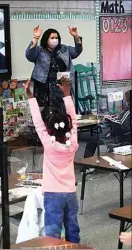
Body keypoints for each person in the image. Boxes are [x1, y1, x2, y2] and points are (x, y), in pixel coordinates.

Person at [23, 77, 80, 243]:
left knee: (52, 232)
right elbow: (74, 119)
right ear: (68, 127)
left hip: (52, 194)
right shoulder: (73, 143)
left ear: (49, 129)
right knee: (72, 228)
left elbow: (38, 123)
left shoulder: (49, 143)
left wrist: (31, 97)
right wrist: (67, 94)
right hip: (70, 193)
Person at [25, 25, 83, 112]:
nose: (55, 40)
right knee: (45, 114)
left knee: (64, 112)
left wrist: (76, 36)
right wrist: (35, 38)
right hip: (44, 87)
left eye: (56, 38)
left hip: (61, 87)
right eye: (52, 38)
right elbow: (29, 55)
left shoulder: (64, 49)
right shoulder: (39, 50)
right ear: (46, 39)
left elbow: (77, 51)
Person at [84, 90, 131, 158]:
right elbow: (121, 118)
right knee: (93, 140)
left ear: (128, 101)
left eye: (125, 99)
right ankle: (88, 165)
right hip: (118, 135)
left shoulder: (128, 111)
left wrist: (108, 119)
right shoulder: (126, 111)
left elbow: (120, 123)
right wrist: (110, 116)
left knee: (93, 140)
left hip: (120, 139)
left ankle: (88, 166)